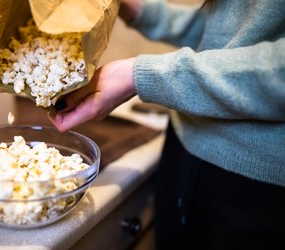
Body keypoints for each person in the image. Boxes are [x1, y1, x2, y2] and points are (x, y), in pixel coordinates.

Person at [49, 0, 285, 249]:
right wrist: (140, 10)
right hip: (183, 152)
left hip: (255, 189)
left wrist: (140, 75)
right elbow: (229, 35)